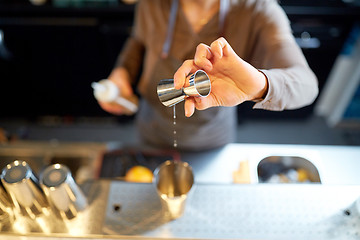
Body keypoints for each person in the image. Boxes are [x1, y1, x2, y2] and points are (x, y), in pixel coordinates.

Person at [97, 0, 318, 151]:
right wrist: (122, 71)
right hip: (151, 123)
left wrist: (260, 85)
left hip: (211, 134)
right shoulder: (153, 3)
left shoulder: (257, 9)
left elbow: (307, 85)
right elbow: (139, 39)